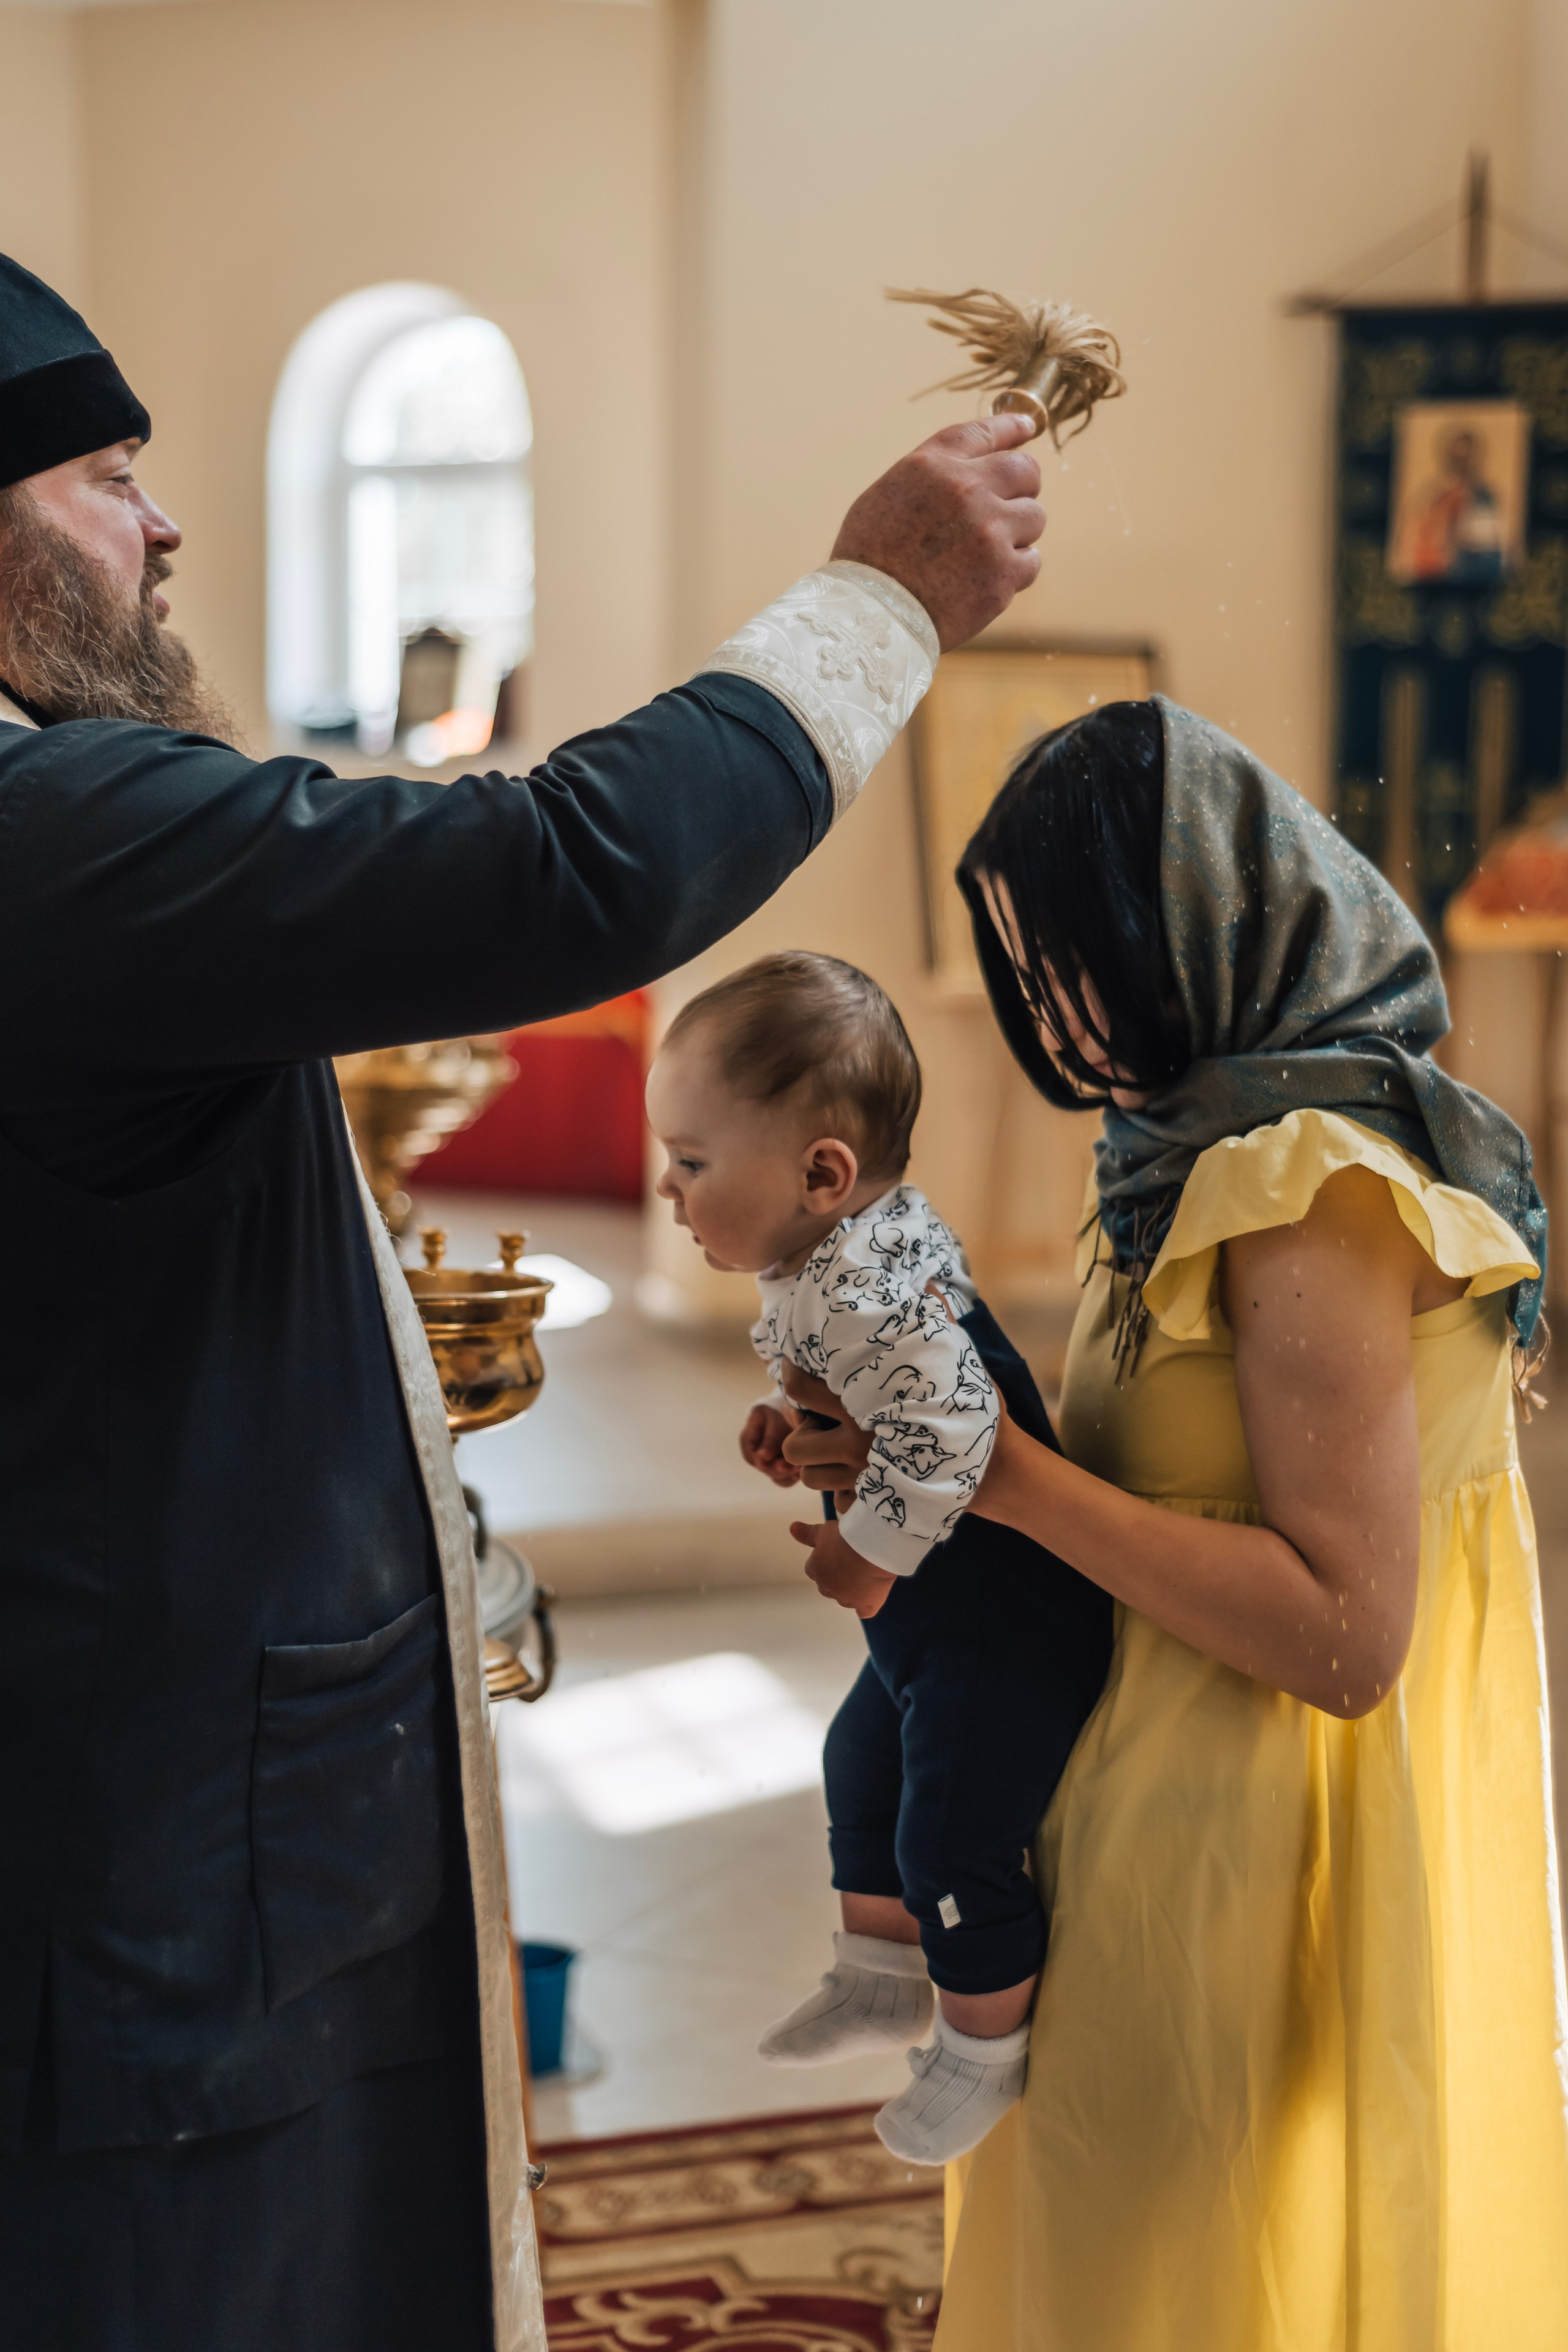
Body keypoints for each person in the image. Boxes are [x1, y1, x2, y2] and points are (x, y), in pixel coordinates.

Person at [0, 250, 1045, 2352]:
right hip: (157, 1842)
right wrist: (879, 602)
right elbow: (563, 869)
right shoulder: (46, 830)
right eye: (107, 477)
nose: (165, 524)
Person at [784, 697, 1568, 2350]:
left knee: (1189, 2277)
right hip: (1144, 1788)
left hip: (1254, 1850)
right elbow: (1143, 1489)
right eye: (1032, 966)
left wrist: (1003, 1475)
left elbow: (1345, 1640)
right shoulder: (1187, 1147)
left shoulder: (1310, 1188)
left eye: (1076, 956)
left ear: (1199, 918)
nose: (1055, 1009)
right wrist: (902, 1457)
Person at [644, 952, 1110, 2166]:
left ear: (820, 1174)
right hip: (935, 1622)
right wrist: (790, 1419)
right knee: (858, 1762)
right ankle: (879, 1975)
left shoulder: (870, 1287)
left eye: (690, 1162)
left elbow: (954, 1427)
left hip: (999, 1620)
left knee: (948, 1839)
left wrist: (868, 1554)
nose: (666, 1189)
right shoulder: (835, 1255)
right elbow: (864, 1389)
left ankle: (979, 2050)